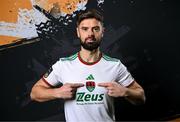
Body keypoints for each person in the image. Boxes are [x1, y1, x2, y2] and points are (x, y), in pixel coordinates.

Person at [30, 9, 145, 122]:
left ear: (102, 31)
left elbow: (141, 96)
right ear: (78, 32)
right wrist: (57, 92)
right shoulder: (63, 65)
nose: (90, 34)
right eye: (85, 29)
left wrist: (125, 91)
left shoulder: (115, 65)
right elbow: (35, 93)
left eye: (95, 29)